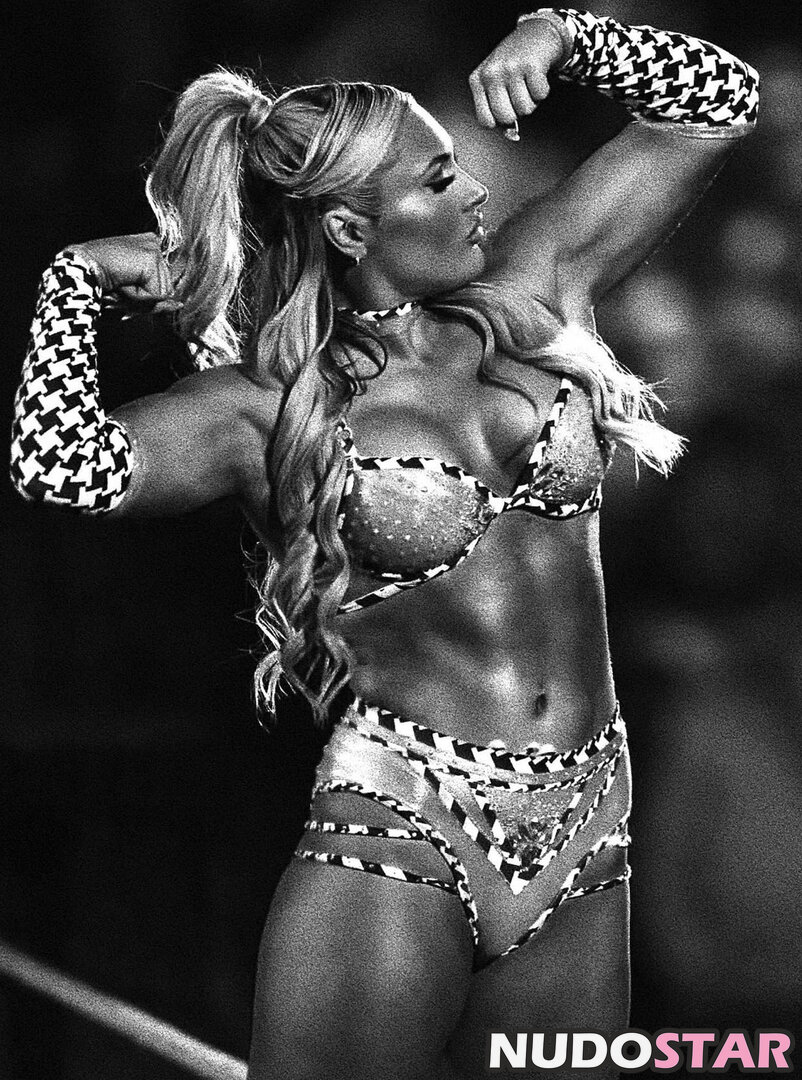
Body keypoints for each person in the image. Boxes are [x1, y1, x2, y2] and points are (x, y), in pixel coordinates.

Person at [10, 7, 758, 1079]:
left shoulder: (535, 282)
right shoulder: (266, 405)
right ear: (352, 230)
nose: (476, 190)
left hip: (587, 821)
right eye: (438, 178)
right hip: (403, 826)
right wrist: (74, 282)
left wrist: (566, 35)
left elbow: (718, 104)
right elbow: (62, 468)